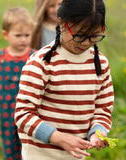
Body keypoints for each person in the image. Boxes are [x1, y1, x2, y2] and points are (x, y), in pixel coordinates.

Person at [14, 0, 114, 160]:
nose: (86, 43)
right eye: (79, 35)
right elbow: (23, 114)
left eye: (94, 36)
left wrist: (97, 131)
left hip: (75, 155)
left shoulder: (100, 64)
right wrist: (58, 138)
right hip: (40, 154)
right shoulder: (41, 62)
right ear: (61, 23)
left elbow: (103, 108)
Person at [0, 7, 35, 160]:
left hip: (31, 113)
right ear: (5, 34)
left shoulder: (34, 57)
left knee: (30, 146)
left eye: (27, 35)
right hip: (7, 113)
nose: (23, 39)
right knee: (9, 145)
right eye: (18, 35)